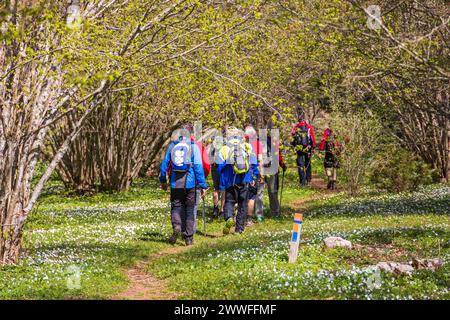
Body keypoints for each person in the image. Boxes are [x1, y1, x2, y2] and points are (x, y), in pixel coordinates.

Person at [159, 126, 208, 246]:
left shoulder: (172, 145)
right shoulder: (193, 146)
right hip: (190, 184)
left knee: (176, 206)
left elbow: (164, 165)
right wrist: (203, 185)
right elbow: (198, 167)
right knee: (190, 209)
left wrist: (163, 181)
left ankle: (176, 226)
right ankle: (188, 238)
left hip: (175, 183)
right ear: (190, 134)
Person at [218, 127, 259, 235]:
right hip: (245, 180)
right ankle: (239, 229)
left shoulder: (224, 148)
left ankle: (229, 218)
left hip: (230, 181)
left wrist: (222, 178)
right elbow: (254, 164)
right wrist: (254, 177)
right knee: (242, 204)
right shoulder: (247, 146)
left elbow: (219, 167)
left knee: (229, 202)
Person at [261, 126, 287, 217]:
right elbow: (278, 155)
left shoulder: (258, 141)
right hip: (272, 168)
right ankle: (275, 212)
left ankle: (258, 214)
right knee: (273, 191)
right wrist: (282, 164)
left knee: (259, 191)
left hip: (260, 167)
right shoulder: (273, 142)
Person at [244, 125, 264, 223]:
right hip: (253, 172)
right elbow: (260, 160)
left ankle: (238, 216)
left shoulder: (241, 143)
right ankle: (250, 218)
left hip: (242, 173)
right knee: (253, 196)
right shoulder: (256, 144)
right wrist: (261, 174)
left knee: (243, 195)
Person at [291, 113, 316, 186]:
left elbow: (292, 138)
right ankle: (308, 180)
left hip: (299, 149)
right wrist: (313, 147)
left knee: (300, 164)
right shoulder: (308, 127)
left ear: (298, 120)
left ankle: (302, 181)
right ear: (304, 120)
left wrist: (293, 147)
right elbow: (312, 138)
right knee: (308, 164)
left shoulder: (295, 127)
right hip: (308, 148)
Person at [209, 133, 226, 218]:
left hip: (214, 168)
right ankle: (222, 210)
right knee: (223, 190)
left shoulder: (212, 148)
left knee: (216, 189)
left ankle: (215, 208)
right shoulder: (224, 146)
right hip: (222, 169)